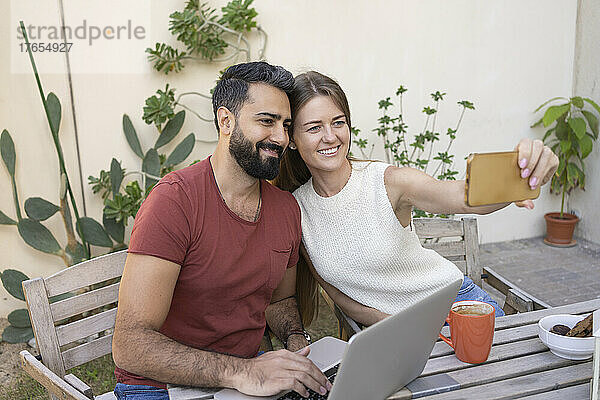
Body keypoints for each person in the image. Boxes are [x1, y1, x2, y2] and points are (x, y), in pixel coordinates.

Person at [112, 62, 332, 400]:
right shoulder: (174, 202)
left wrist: (294, 342)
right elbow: (130, 346)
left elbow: (280, 300)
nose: (281, 137)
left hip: (245, 379)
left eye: (286, 125)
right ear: (226, 121)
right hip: (161, 386)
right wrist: (242, 372)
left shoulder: (285, 209)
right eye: (266, 121)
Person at [273, 71, 559, 328]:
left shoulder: (387, 181)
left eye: (338, 123)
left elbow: (464, 197)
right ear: (293, 139)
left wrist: (522, 174)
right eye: (314, 128)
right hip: (403, 331)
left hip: (458, 308)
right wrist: (405, 329)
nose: (330, 136)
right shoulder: (295, 210)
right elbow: (336, 293)